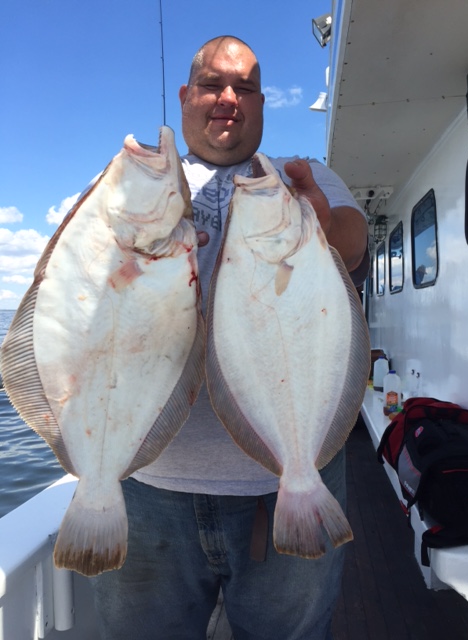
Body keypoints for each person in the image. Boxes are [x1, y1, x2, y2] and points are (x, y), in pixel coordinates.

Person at [91, 35, 369, 640]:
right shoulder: (138, 181)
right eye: (215, 85)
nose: (228, 98)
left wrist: (319, 228)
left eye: (244, 87)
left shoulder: (299, 178)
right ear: (186, 96)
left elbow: (354, 240)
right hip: (150, 483)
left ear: (263, 103)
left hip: (282, 486)